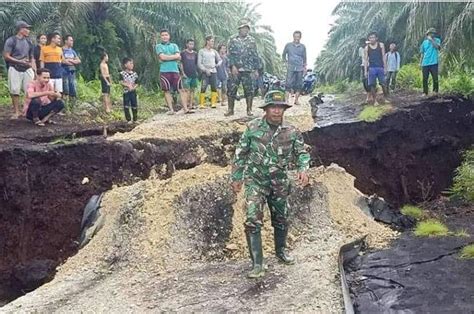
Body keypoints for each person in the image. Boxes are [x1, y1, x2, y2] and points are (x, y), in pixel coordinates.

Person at [230, 90, 310, 278]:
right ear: (266, 109)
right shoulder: (252, 128)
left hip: (279, 182)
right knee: (252, 220)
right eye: (273, 107)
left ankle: (281, 252)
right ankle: (258, 264)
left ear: (284, 109)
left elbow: (302, 153)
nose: (276, 111)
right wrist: (236, 177)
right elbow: (240, 154)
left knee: (281, 218)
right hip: (255, 181)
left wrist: (303, 168)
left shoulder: (292, 131)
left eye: (280, 107)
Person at [226, 18, 261, 117]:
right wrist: (232, 66)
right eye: (243, 28)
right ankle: (230, 110)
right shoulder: (233, 39)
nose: (245, 30)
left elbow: (255, 55)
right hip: (236, 69)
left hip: (248, 69)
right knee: (231, 89)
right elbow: (230, 54)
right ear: (239, 29)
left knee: (249, 90)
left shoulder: (252, 40)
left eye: (247, 29)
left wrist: (256, 69)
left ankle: (249, 110)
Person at [3, 21, 36, 119]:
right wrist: (19, 61)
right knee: (14, 90)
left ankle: (26, 110)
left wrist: (35, 69)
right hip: (15, 67)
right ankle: (16, 111)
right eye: (26, 28)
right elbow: (6, 56)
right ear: (21, 29)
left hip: (27, 68)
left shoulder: (29, 42)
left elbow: (32, 57)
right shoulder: (11, 40)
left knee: (29, 90)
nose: (28, 30)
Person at [155, 29, 189, 114]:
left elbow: (178, 56)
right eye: (162, 35)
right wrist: (173, 57)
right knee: (166, 90)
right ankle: (171, 110)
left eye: (166, 35)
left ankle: (185, 109)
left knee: (181, 89)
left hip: (175, 70)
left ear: (169, 36)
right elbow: (162, 57)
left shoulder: (174, 45)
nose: (164, 36)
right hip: (164, 71)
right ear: (160, 37)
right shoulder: (158, 46)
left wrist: (167, 57)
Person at [282, 31, 307, 105]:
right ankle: (286, 100)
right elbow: (283, 55)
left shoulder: (303, 46)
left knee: (299, 84)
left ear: (300, 37)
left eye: (298, 37)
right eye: (295, 36)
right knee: (288, 84)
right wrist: (285, 62)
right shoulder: (288, 45)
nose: (297, 38)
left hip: (299, 68)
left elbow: (304, 57)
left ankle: (296, 100)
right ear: (293, 37)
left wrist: (304, 67)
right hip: (290, 67)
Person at [198, 35, 222, 109]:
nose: (213, 43)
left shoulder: (214, 51)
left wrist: (217, 64)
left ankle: (213, 103)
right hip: (205, 71)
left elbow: (220, 60)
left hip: (213, 71)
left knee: (214, 86)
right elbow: (199, 63)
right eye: (212, 41)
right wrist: (205, 70)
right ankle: (202, 104)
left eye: (213, 41)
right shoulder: (201, 51)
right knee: (203, 86)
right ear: (207, 41)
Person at [364, 31, 388, 104]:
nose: (372, 39)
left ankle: (385, 98)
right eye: (370, 38)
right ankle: (375, 101)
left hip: (380, 67)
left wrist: (385, 67)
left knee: (383, 83)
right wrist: (365, 71)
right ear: (369, 39)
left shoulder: (381, 45)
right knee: (372, 85)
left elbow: (383, 56)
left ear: (376, 38)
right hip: (371, 68)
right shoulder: (367, 48)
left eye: (373, 37)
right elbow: (365, 60)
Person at [420, 28, 441, 96]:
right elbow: (422, 53)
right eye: (431, 33)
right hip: (425, 63)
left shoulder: (437, 40)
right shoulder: (424, 42)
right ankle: (425, 92)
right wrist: (420, 63)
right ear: (428, 34)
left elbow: (437, 47)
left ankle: (435, 91)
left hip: (434, 62)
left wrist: (431, 40)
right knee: (425, 79)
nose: (432, 34)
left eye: (433, 33)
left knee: (435, 78)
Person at [62, 34, 81, 106]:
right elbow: (63, 61)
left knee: (73, 88)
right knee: (65, 89)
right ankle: (65, 106)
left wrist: (70, 61)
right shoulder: (61, 50)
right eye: (71, 40)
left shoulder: (73, 51)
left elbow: (79, 61)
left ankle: (72, 106)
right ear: (66, 41)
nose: (72, 42)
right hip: (64, 72)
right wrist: (72, 61)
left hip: (72, 72)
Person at [180, 39, 199, 110]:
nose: (191, 45)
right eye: (190, 44)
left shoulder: (195, 54)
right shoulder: (183, 53)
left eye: (192, 44)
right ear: (187, 44)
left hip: (193, 74)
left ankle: (191, 104)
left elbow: (196, 64)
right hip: (186, 74)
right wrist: (183, 73)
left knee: (192, 90)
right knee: (186, 90)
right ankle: (186, 105)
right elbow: (181, 63)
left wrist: (197, 72)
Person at [119, 58, 139, 123]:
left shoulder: (135, 74)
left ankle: (135, 119)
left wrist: (133, 87)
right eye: (130, 63)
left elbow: (137, 83)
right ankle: (128, 119)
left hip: (133, 92)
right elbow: (121, 82)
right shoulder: (122, 73)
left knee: (134, 105)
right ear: (125, 65)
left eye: (132, 63)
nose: (132, 65)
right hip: (126, 92)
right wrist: (127, 85)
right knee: (126, 105)